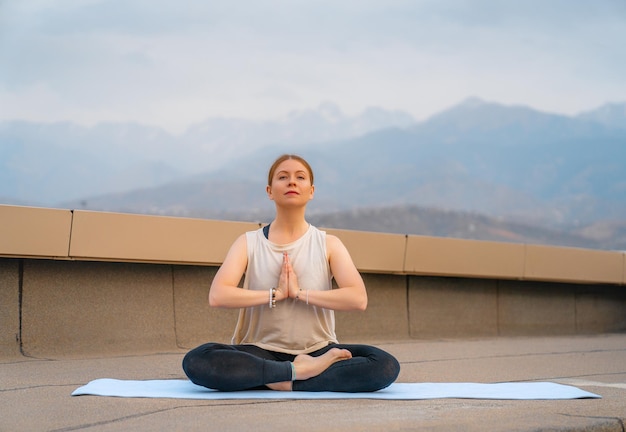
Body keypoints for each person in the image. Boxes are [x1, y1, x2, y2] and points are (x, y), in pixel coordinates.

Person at [182, 154, 400, 392]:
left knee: (385, 365)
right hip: (259, 350)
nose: (292, 182)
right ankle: (298, 374)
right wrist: (275, 294)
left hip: (317, 350)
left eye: (300, 177)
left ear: (311, 190)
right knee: (197, 360)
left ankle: (274, 378)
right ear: (269, 191)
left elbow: (358, 299)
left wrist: (298, 293)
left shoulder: (329, 244)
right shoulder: (248, 243)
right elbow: (218, 296)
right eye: (283, 177)